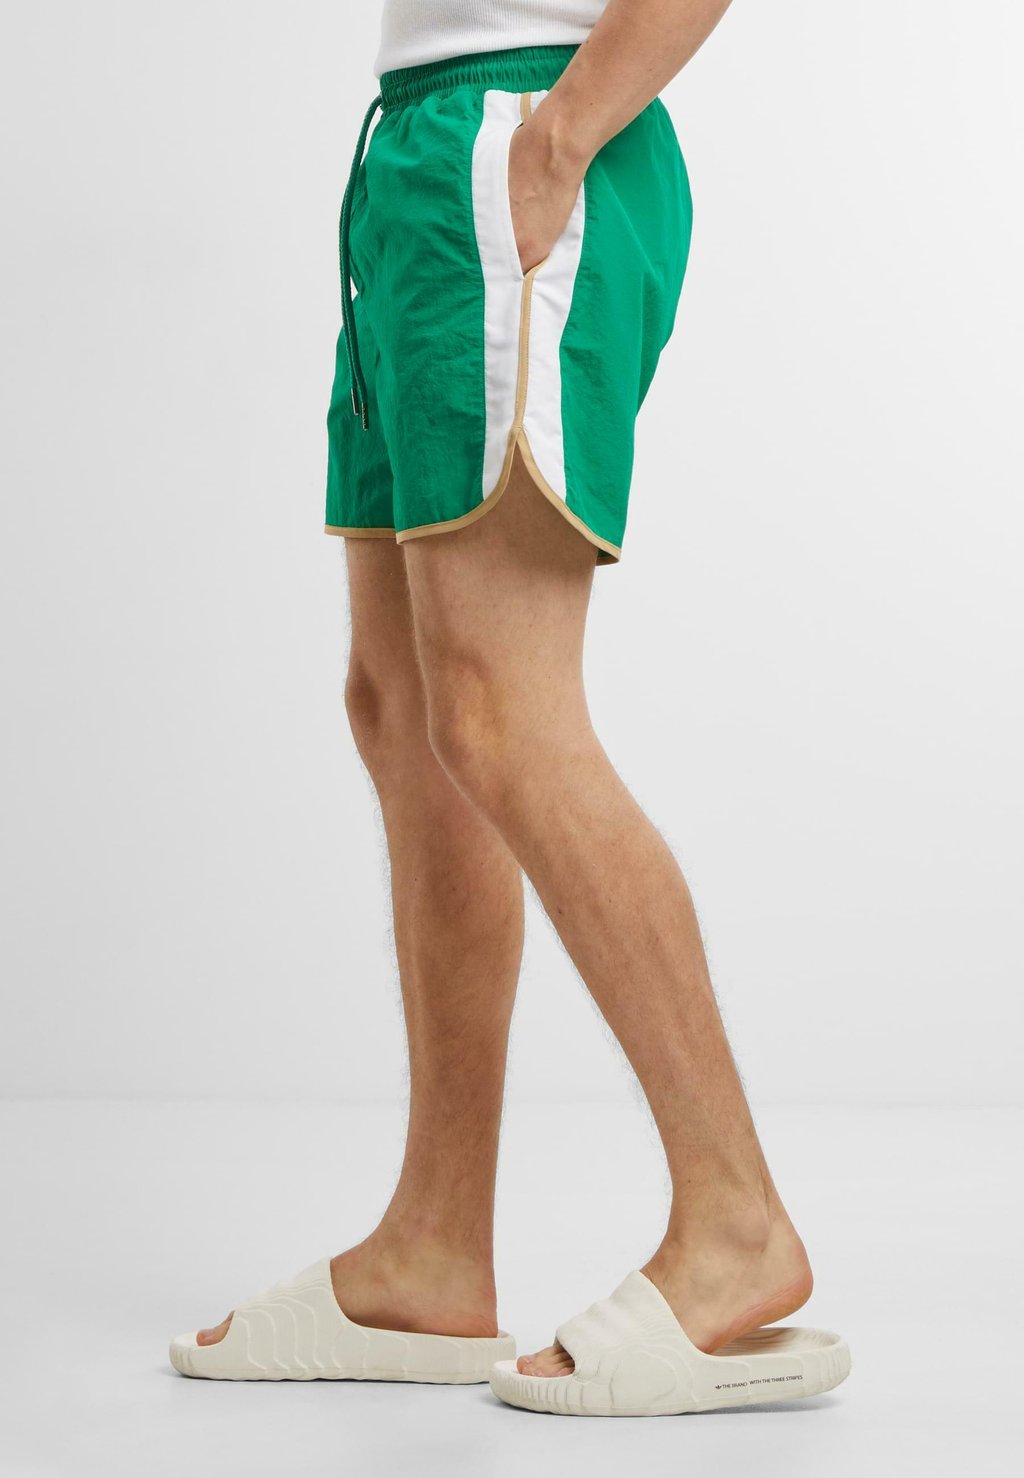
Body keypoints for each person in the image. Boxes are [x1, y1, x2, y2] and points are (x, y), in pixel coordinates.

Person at [170, 0, 851, 1415]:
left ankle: (736, 1219)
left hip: (519, 131)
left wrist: (559, 138)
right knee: (404, 707)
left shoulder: (534, 137)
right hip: (422, 147)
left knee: (502, 714)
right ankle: (433, 1248)